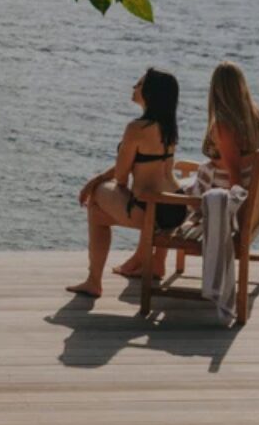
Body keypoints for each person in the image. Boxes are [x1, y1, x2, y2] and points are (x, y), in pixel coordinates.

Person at [66, 69, 188, 297]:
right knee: (101, 200)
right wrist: (98, 178)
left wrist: (94, 184)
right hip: (175, 207)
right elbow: (143, 165)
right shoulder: (169, 126)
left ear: (150, 93)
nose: (134, 87)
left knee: (97, 201)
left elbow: (121, 177)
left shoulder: (136, 129)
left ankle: (94, 281)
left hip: (151, 211)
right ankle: (157, 265)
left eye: (139, 84)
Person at [198, 61, 259, 191]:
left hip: (216, 197)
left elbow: (234, 173)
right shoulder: (255, 114)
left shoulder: (224, 127)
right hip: (245, 185)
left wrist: (234, 209)